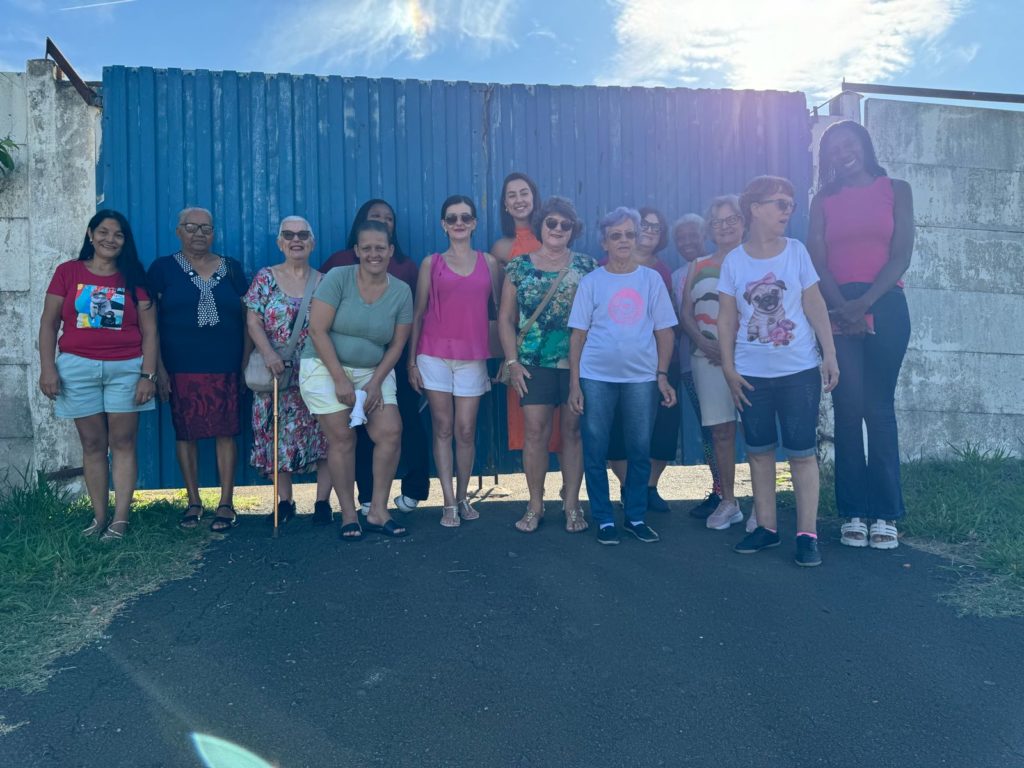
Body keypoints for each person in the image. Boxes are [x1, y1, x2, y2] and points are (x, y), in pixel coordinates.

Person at [718, 176, 839, 567]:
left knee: (802, 454)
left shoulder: (796, 252)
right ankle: (766, 529)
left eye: (791, 204)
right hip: (750, 375)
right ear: (755, 208)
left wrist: (829, 353)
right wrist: (728, 368)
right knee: (758, 453)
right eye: (780, 204)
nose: (788, 211)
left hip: (798, 372)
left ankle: (807, 535)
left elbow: (814, 303)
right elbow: (726, 319)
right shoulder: (734, 261)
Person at [808, 120, 914, 550]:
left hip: (885, 302)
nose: (842, 153)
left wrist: (865, 303)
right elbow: (817, 259)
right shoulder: (823, 201)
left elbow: (901, 255)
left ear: (865, 146)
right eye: (833, 149)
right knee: (847, 408)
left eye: (849, 144)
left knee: (879, 408)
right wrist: (843, 306)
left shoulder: (897, 189)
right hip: (836, 304)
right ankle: (853, 511)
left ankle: (885, 513)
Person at [38, 210, 158, 542]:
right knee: (92, 444)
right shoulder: (67, 272)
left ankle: (120, 520)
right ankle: (99, 517)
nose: (110, 239)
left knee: (123, 442)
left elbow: (151, 332)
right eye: (103, 232)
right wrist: (48, 367)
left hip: (126, 369)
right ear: (90, 235)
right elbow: (48, 323)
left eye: (118, 234)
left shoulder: (135, 277)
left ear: (125, 241)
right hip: (77, 369)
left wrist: (148, 375)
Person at [568, 207, 678, 546]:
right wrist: (574, 384)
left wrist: (662, 375)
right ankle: (603, 519)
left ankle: (635, 517)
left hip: (642, 379)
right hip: (596, 378)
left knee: (640, 449)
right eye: (616, 235)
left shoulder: (651, 280)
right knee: (595, 450)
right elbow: (578, 336)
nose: (624, 241)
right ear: (604, 242)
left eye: (630, 234)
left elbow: (665, 331)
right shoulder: (592, 282)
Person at [300, 220, 413, 540]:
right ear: (357, 251)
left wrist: (375, 383)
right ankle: (349, 514)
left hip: (373, 370)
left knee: (390, 432)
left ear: (390, 250)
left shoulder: (401, 291)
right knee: (343, 437)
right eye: (367, 248)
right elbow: (317, 330)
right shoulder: (338, 278)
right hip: (324, 366)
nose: (374, 254)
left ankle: (377, 511)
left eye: (380, 248)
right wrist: (339, 379)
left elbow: (397, 345)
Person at [320, 199, 429, 515]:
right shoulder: (339, 264)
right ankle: (366, 497)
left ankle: (415, 488)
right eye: (375, 217)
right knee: (358, 432)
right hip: (347, 365)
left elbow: (414, 317)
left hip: (394, 361)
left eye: (388, 218)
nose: (383, 221)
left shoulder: (406, 266)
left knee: (405, 424)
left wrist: (411, 361)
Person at [148, 208, 249, 532]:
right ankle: (193, 501)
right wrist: (158, 369)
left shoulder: (231, 268)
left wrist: (246, 362)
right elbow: (150, 324)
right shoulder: (163, 269)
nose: (199, 234)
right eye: (191, 227)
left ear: (214, 233)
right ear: (179, 231)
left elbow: (248, 317)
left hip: (225, 365)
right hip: (180, 367)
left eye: (206, 228)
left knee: (226, 432)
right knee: (185, 432)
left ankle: (226, 503)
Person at [499, 196, 595, 534]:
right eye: (551, 222)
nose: (557, 228)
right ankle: (535, 504)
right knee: (535, 433)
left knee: (572, 433)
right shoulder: (519, 266)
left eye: (565, 224)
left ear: (573, 230)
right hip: (533, 364)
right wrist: (512, 362)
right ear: (541, 225)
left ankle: (572, 503)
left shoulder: (587, 266)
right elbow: (505, 318)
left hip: (576, 364)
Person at [407, 196, 502, 527]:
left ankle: (463, 497)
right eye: (452, 218)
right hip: (433, 353)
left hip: (473, 357)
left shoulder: (489, 263)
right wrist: (411, 362)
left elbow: (500, 313)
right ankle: (448, 501)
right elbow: (418, 313)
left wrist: (508, 357)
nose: (459, 223)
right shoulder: (431, 264)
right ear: (443, 225)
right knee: (443, 427)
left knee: (466, 429)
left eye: (465, 217)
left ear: (474, 223)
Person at [244, 216, 331, 524]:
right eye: (289, 235)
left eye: (303, 235)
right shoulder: (265, 278)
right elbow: (253, 320)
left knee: (324, 434)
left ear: (312, 242)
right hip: (275, 371)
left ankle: (323, 502)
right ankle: (285, 501)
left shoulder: (324, 281)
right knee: (275, 434)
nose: (296, 240)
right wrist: (268, 354)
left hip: (314, 369)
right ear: (280, 242)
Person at [679, 196, 750, 531]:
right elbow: (685, 312)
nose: (724, 227)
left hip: (750, 358)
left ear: (744, 222)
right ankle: (729, 501)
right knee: (721, 430)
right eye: (717, 222)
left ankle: (763, 507)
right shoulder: (698, 265)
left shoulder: (756, 261)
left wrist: (733, 348)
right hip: (706, 359)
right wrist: (703, 341)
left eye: (731, 219)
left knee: (756, 431)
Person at [605, 206, 679, 512]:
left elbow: (666, 322)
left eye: (655, 227)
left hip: (659, 361)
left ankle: (649, 487)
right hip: (618, 364)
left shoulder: (662, 272)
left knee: (662, 427)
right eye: (644, 226)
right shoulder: (604, 269)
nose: (649, 231)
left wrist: (663, 369)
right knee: (618, 428)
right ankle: (628, 487)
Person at [490, 173, 562, 456]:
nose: (519, 200)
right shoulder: (501, 248)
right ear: (505, 205)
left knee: (566, 426)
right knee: (532, 427)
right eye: (512, 195)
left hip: (559, 345)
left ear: (534, 198)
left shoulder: (554, 236)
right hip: (522, 349)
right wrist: (506, 356)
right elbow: (500, 308)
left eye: (524, 193)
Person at [673, 214, 724, 518]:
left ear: (705, 235)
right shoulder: (677, 276)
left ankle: (757, 498)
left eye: (693, 235)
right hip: (692, 365)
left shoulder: (723, 264)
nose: (687, 242)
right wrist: (703, 344)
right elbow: (679, 318)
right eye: (681, 238)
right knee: (710, 429)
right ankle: (719, 490)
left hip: (734, 360)